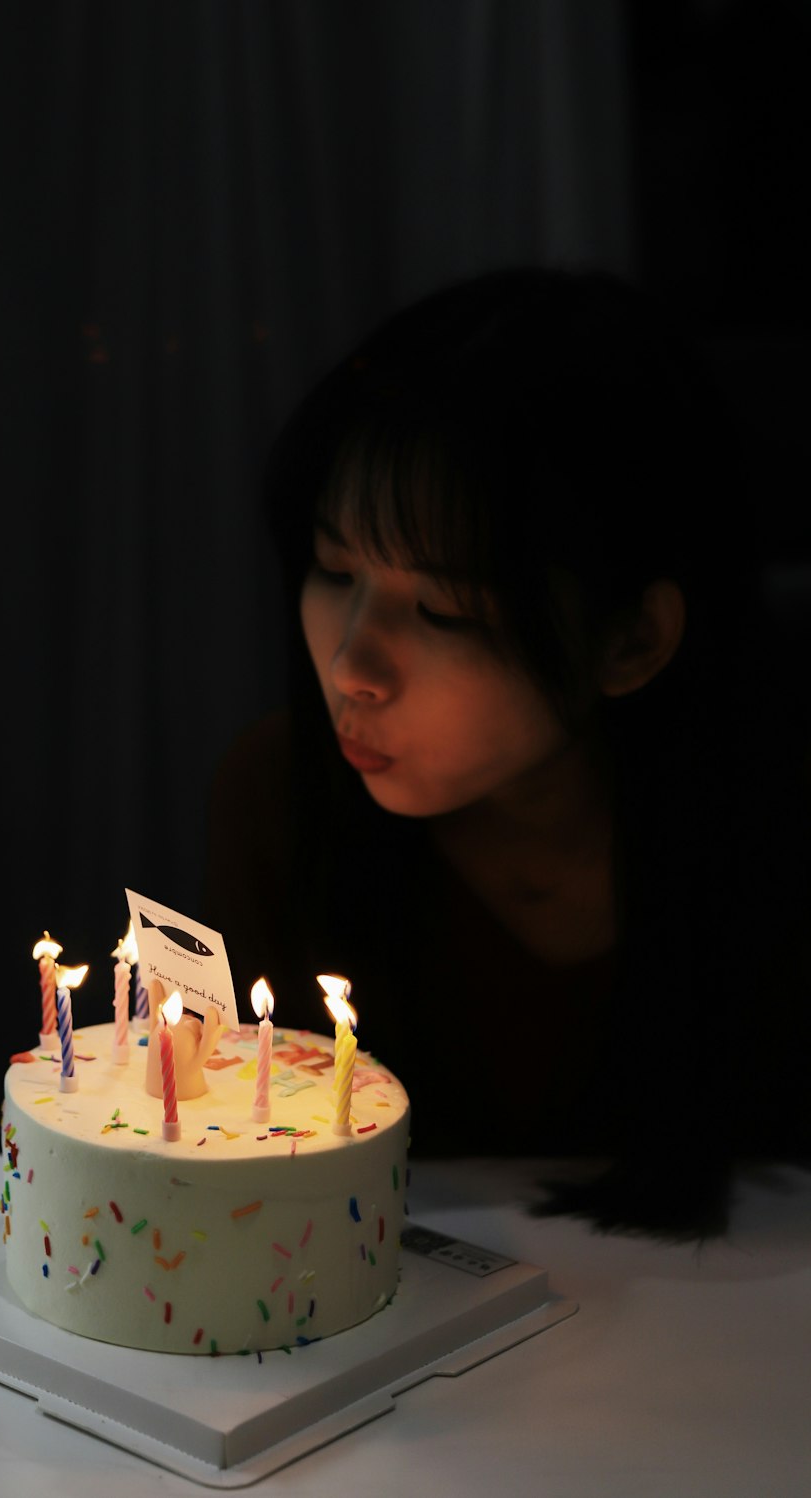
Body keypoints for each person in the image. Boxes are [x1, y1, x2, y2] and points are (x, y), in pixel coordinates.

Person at [203, 267, 809, 1238]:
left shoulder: (770, 834)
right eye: (332, 569)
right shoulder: (282, 797)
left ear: (629, 640)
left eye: (441, 610)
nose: (352, 664)